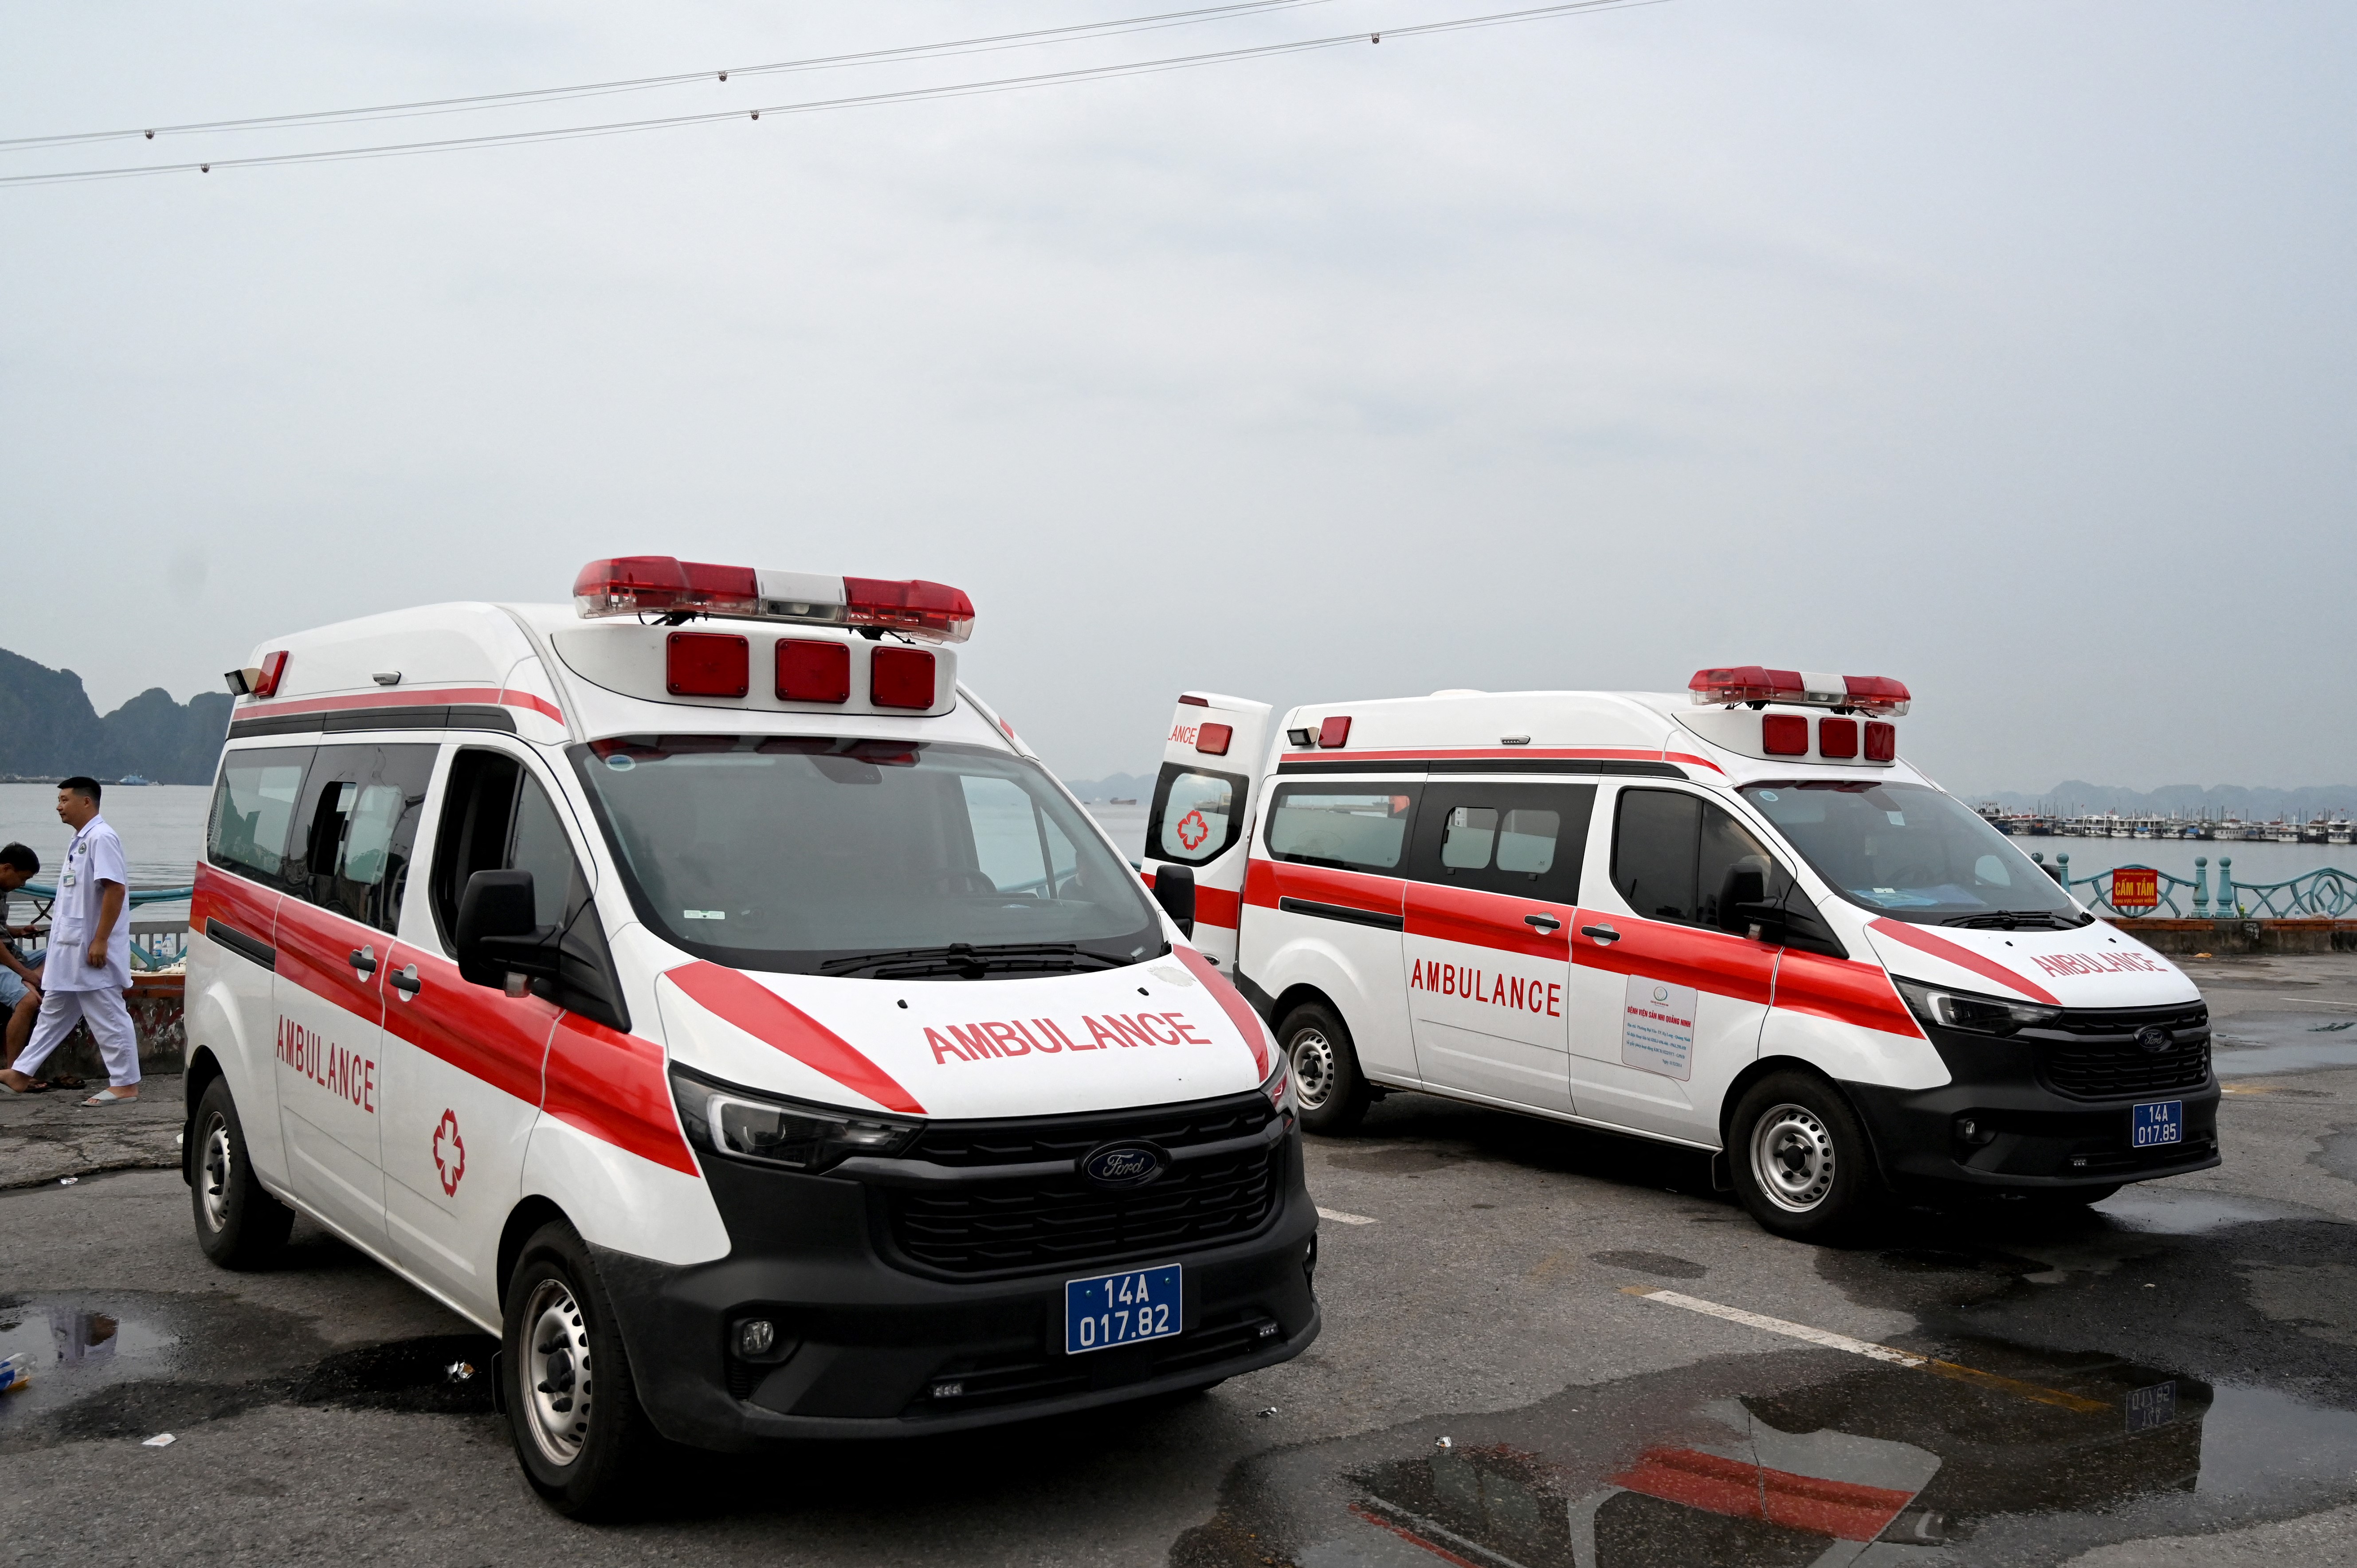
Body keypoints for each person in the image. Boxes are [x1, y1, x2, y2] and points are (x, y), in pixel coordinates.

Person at [0, 780, 140, 1105]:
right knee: (54, 1012)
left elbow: (115, 889)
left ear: (86, 802)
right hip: (69, 948)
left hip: (90, 947)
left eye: (65, 800)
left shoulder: (102, 838)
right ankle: (21, 1073)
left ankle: (125, 1084)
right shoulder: (80, 841)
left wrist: (100, 940)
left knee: (107, 1010)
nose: (59, 806)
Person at [0, 843, 46, 1075]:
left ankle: (30, 980)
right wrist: (24, 972)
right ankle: (15, 1070)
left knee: (60, 954)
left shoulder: (2, 889)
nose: (23, 885)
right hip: (3, 960)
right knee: (27, 1002)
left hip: (10, 955)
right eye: (23, 878)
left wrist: (19, 932)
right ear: (7, 868)